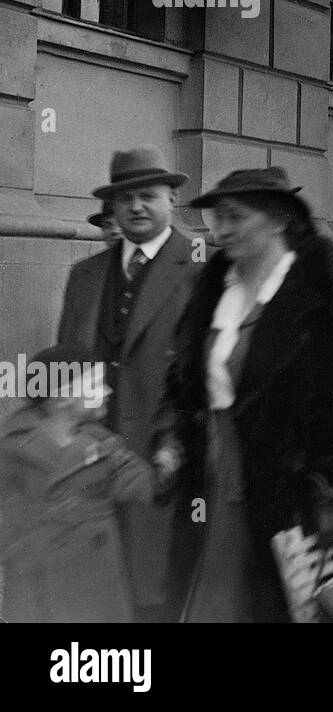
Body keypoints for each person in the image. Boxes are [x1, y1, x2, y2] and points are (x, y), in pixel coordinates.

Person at [160, 167, 333, 622]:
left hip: (282, 487)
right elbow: (187, 386)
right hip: (211, 476)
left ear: (277, 220)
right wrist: (177, 440)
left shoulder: (316, 301)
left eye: (235, 216)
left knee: (274, 603)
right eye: (218, 219)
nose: (222, 230)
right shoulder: (214, 290)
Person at [55, 145, 198, 622]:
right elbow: (66, 371)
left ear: (171, 200)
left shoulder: (200, 271)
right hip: (94, 469)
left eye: (148, 196)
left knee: (160, 596)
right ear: (112, 206)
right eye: (126, 198)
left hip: (167, 464)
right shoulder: (86, 276)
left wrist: (177, 443)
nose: (136, 207)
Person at [0, 344, 155, 622]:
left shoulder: (102, 442)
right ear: (63, 397)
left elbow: (140, 483)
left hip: (96, 581)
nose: (108, 391)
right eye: (96, 384)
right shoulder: (14, 446)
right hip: (37, 581)